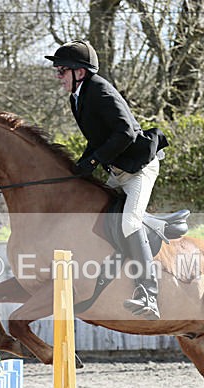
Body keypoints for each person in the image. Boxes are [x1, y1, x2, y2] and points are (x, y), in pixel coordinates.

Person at [46, 40, 168, 320]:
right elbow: (98, 138)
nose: (58, 76)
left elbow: (125, 132)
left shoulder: (99, 90)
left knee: (129, 223)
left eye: (62, 70)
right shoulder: (77, 96)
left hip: (139, 170)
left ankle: (149, 293)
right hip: (118, 170)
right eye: (58, 71)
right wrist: (78, 167)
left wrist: (92, 162)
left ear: (80, 72)